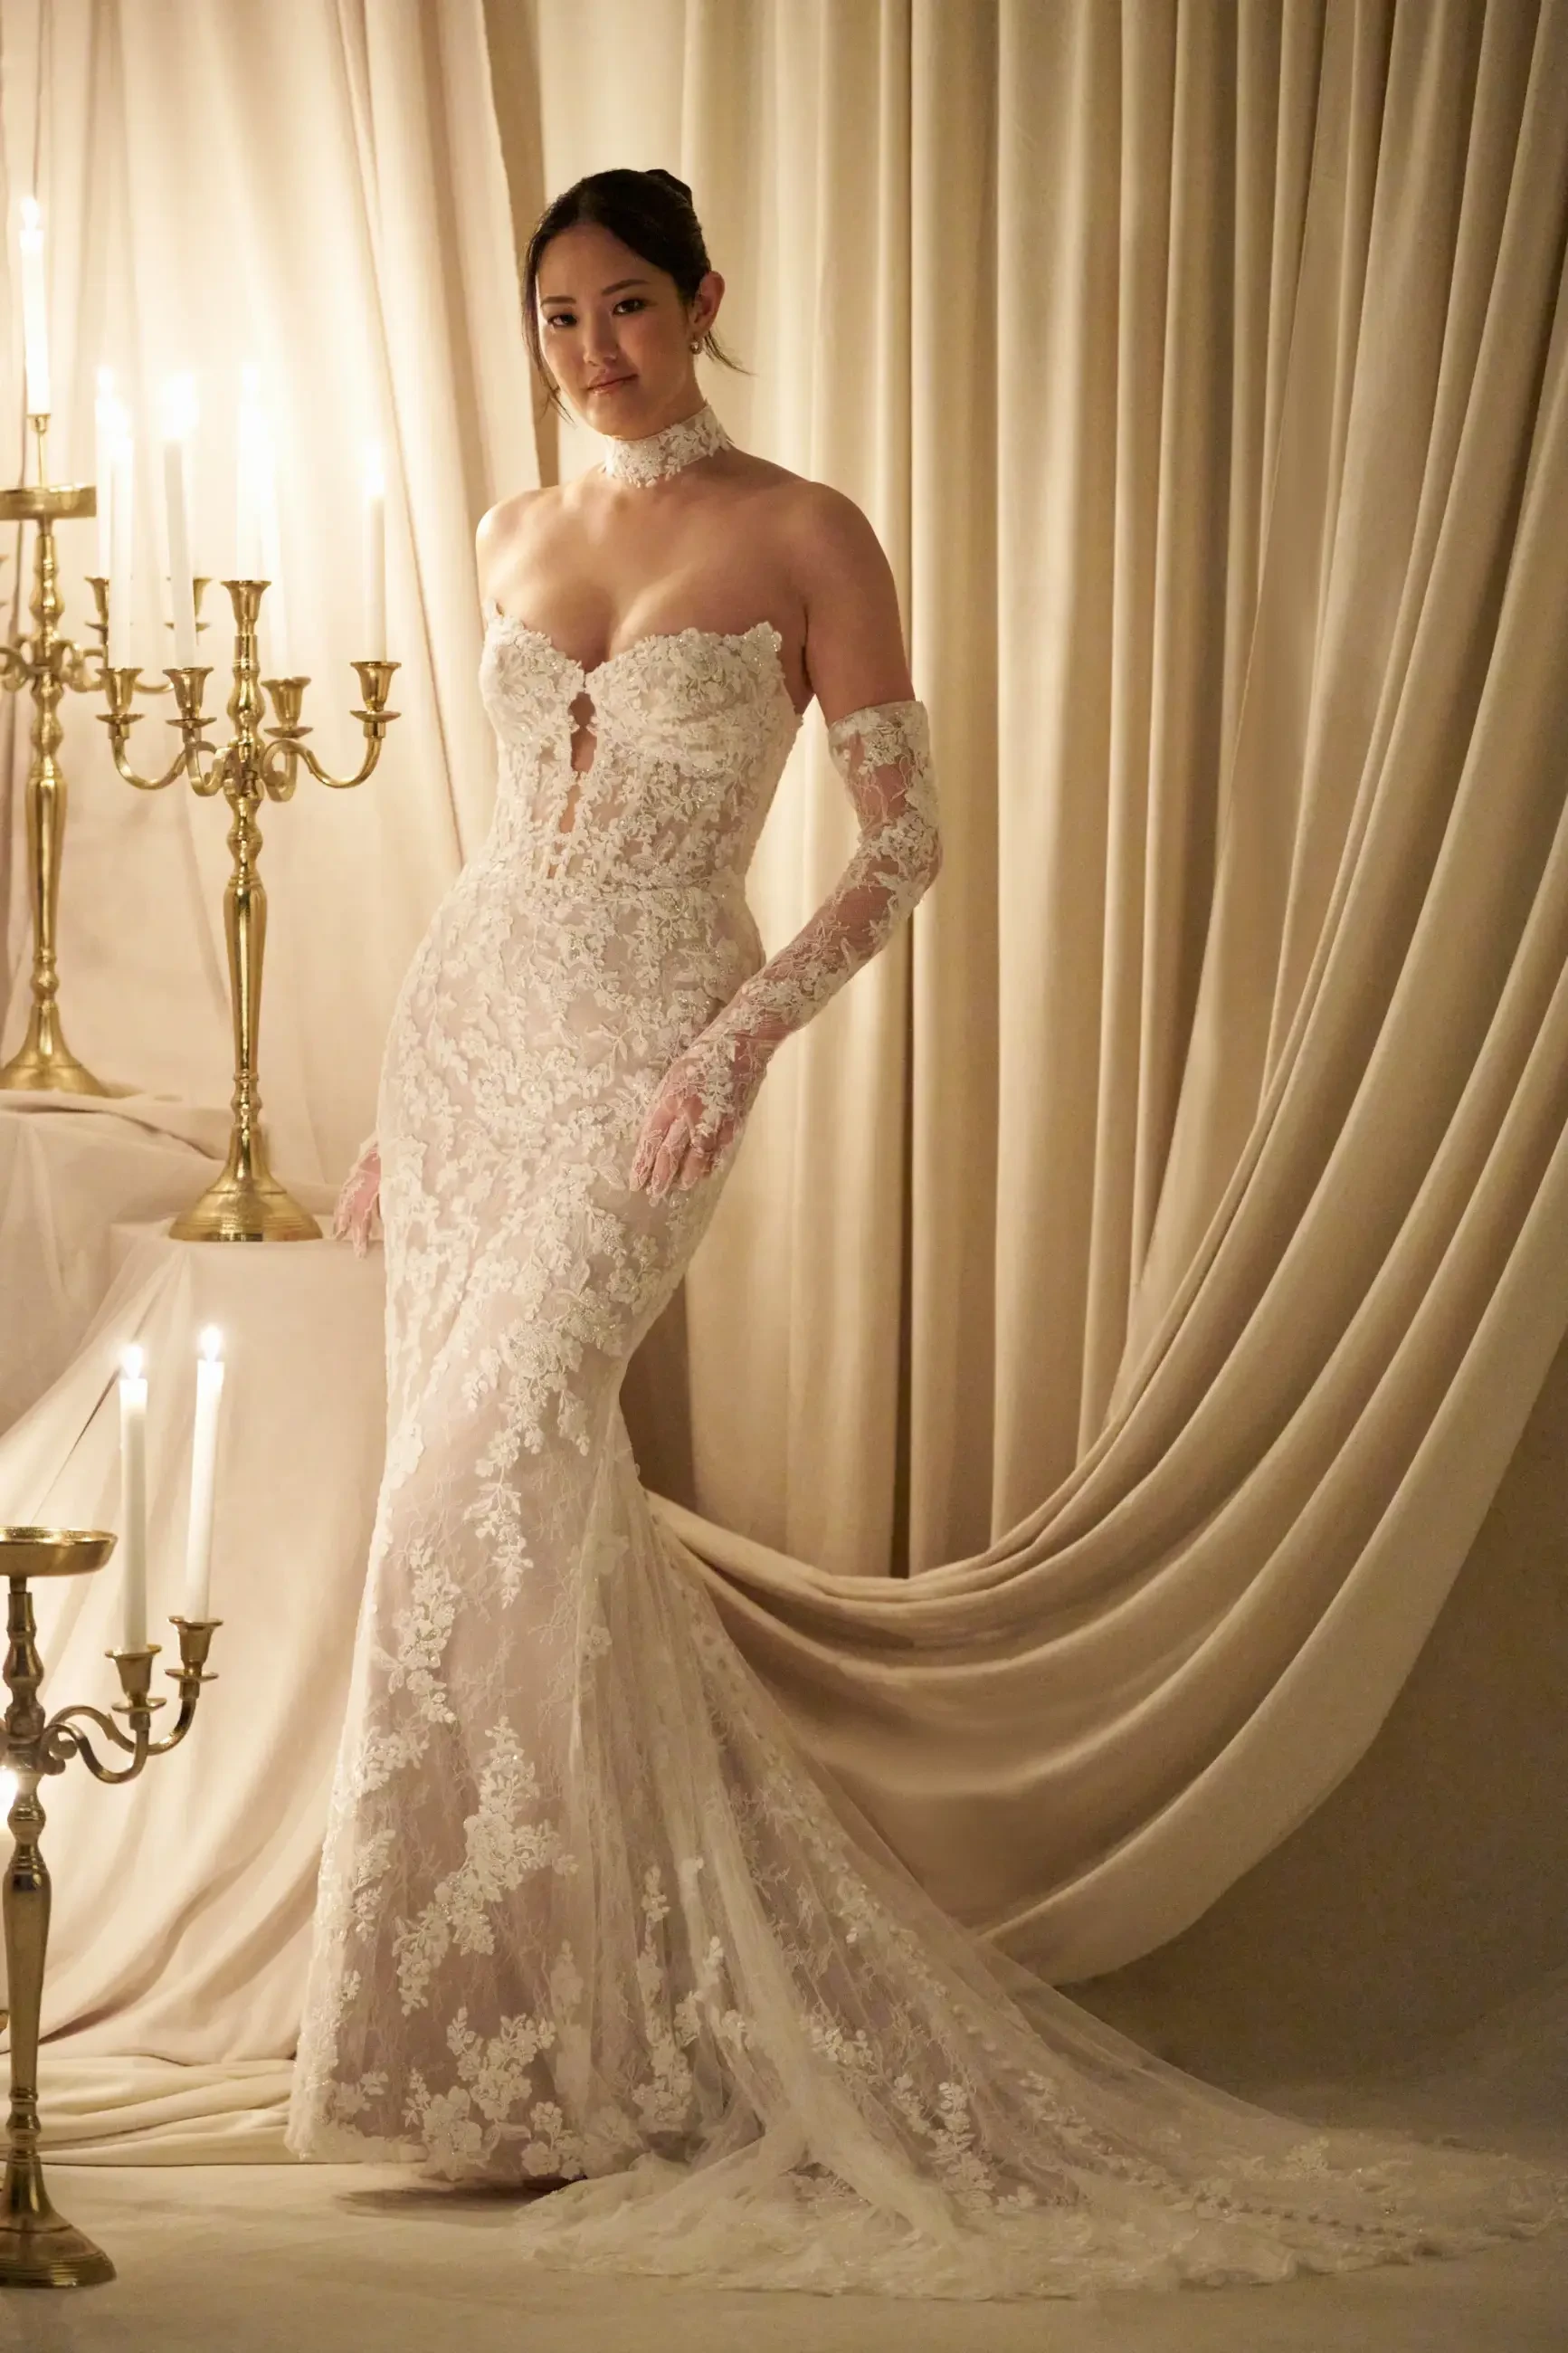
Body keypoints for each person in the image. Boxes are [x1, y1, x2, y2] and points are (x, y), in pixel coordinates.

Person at [286, 167, 1565, 2297]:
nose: (592, 354)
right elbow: (503, 852)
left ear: (703, 300)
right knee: (484, 1516)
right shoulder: (514, 534)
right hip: (478, 1044)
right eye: (556, 322)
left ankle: (598, 2029)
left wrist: (748, 1031)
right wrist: (400, 1116)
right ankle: (511, 2055)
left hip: (656, 1051)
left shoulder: (803, 530)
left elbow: (907, 841)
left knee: (497, 1472)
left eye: (624, 308)